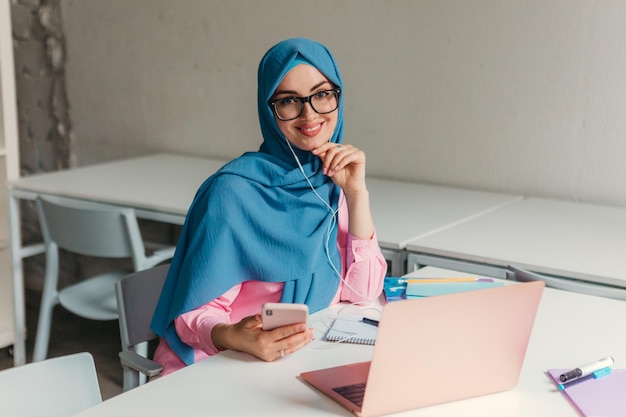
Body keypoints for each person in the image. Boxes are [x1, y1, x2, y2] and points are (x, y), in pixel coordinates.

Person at [150, 37, 387, 377]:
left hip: (296, 363)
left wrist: (357, 194)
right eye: (289, 101)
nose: (309, 115)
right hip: (218, 366)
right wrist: (231, 336)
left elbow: (363, 291)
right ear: (268, 108)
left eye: (322, 95)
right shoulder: (231, 193)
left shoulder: (331, 181)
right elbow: (192, 316)